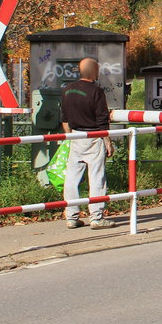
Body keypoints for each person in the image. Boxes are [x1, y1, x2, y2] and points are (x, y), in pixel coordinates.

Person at [61, 57, 115, 229]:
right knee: (97, 177)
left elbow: (64, 118)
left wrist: (68, 137)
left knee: (72, 178)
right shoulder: (96, 91)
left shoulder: (67, 90)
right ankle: (96, 218)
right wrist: (107, 141)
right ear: (94, 72)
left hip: (75, 136)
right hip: (94, 136)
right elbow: (101, 118)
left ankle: (71, 216)